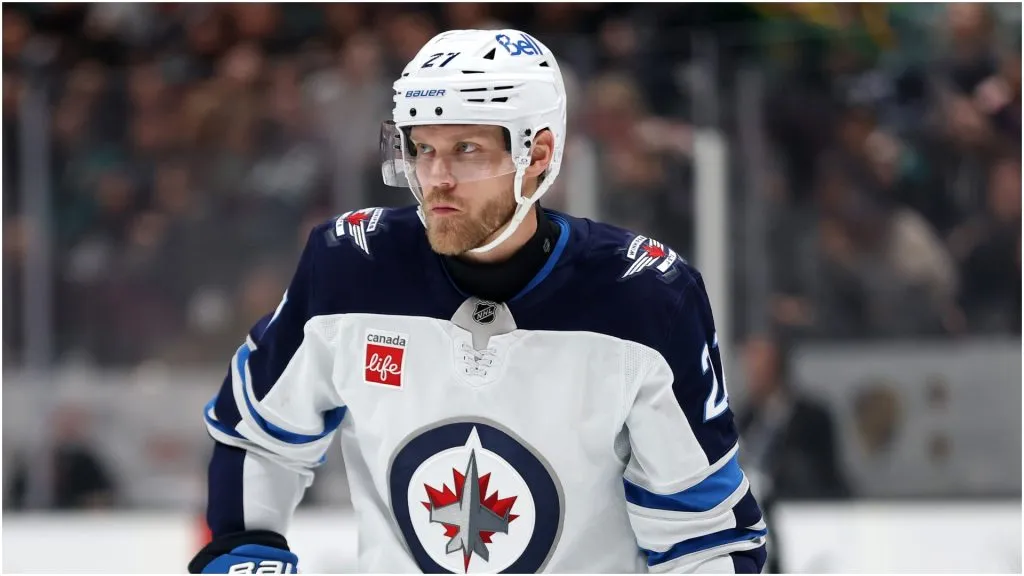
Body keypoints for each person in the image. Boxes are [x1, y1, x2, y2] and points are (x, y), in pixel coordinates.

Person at [189, 29, 766, 574]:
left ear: (538, 155)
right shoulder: (350, 269)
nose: (435, 178)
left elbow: (705, 533)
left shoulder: (644, 299)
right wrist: (245, 554)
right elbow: (257, 436)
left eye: (466, 149)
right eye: (421, 148)